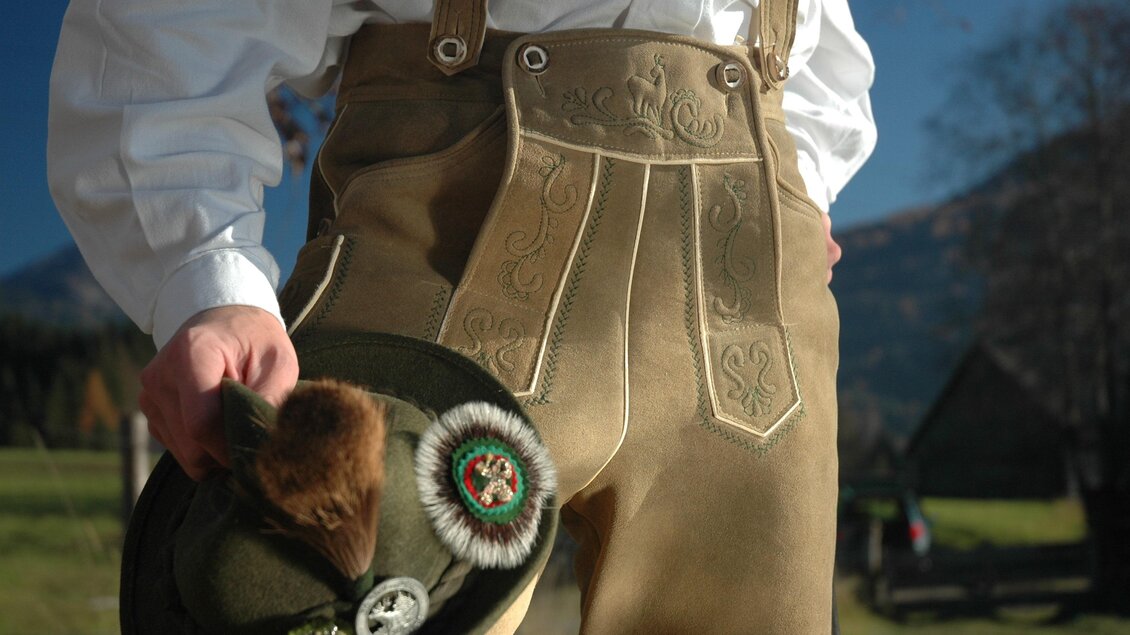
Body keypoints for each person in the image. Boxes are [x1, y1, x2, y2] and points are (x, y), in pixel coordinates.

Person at [49, 0, 875, 631]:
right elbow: (181, 19)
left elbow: (822, 57)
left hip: (752, 285)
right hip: (441, 244)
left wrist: (801, 180)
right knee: (313, 598)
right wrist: (202, 275)